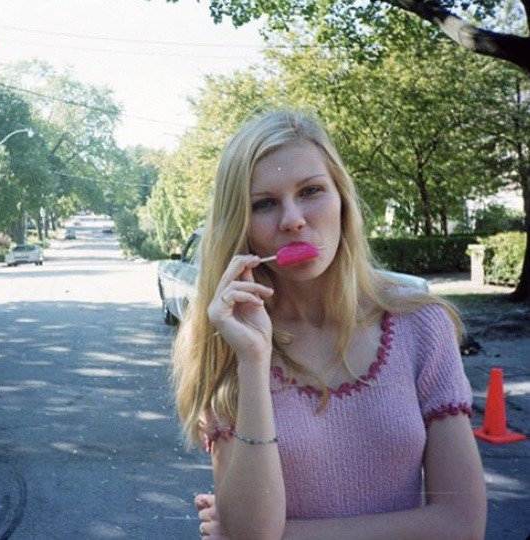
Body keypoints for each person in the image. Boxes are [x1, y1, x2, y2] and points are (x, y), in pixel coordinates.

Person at [170, 110, 487, 539]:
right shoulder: (226, 339)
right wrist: (253, 360)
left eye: (310, 191)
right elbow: (252, 533)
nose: (292, 219)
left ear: (342, 199)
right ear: (240, 226)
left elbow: (462, 526)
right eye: (263, 204)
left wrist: (288, 535)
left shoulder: (422, 326)